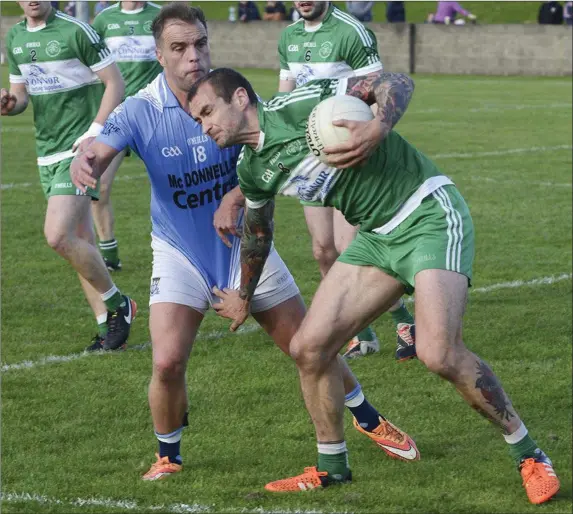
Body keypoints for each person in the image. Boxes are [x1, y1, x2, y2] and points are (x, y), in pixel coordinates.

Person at [70, 3, 419, 481]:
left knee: (308, 347)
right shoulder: (141, 110)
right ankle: (168, 455)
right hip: (179, 250)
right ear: (158, 55)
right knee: (167, 361)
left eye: (200, 43)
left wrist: (236, 194)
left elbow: (265, 152)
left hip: (246, 244)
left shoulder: (231, 98)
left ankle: (368, 419)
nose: (193, 55)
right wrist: (85, 162)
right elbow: (99, 149)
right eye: (179, 48)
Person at [187, 67, 561, 504]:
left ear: (240, 98)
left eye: (208, 111)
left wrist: (378, 126)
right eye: (197, 120)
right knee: (309, 348)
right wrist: (244, 297)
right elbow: (257, 231)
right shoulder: (251, 168)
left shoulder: (299, 106)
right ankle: (332, 467)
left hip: (427, 215)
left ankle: (529, 453)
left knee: (438, 353)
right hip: (376, 238)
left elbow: (396, 81)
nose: (205, 125)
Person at [278, 1, 416, 361]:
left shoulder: (352, 31)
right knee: (322, 249)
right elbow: (285, 97)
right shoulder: (288, 36)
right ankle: (362, 335)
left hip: (345, 153)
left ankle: (404, 321)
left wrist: (365, 144)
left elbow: (376, 93)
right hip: (309, 157)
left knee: (349, 247)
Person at [2, 0, 136, 352]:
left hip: (80, 151)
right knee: (79, 242)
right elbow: (20, 96)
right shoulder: (15, 37)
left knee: (57, 235)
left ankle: (120, 304)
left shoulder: (77, 31)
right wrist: (9, 103)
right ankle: (109, 330)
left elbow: (115, 84)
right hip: (47, 151)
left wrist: (94, 132)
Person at [90, 1, 163, 271]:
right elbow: (92, 66)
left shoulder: (159, 15)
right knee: (99, 186)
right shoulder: (103, 20)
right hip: (116, 116)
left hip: (154, 114)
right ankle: (109, 255)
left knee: (175, 184)